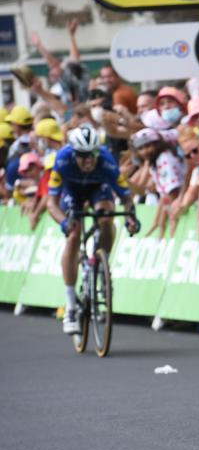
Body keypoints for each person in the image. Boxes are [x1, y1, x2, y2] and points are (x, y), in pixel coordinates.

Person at [46, 126, 139, 334]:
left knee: (106, 217)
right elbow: (51, 202)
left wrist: (130, 217)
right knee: (73, 235)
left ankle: (101, 264)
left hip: (98, 189)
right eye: (83, 156)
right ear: (74, 153)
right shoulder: (62, 160)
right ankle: (70, 306)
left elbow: (126, 196)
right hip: (72, 192)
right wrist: (64, 223)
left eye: (93, 155)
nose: (89, 161)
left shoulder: (106, 161)